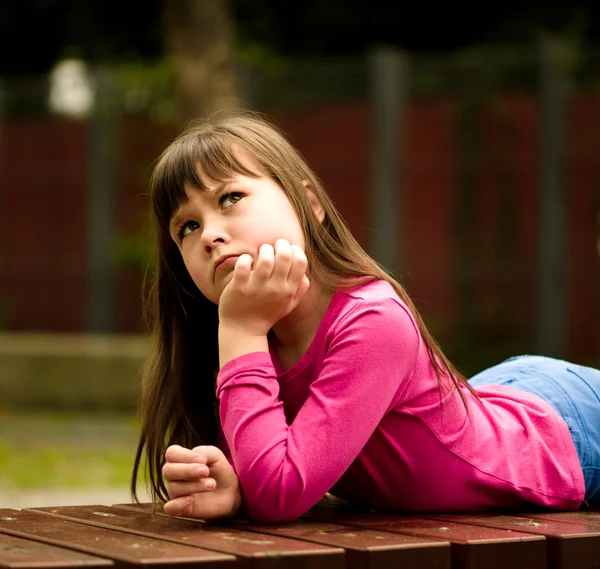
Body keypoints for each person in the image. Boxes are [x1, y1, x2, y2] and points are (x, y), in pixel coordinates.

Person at [131, 111, 600, 523]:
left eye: (230, 197)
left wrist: (240, 332)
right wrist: (231, 484)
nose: (210, 234)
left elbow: (280, 493)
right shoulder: (249, 340)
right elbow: (268, 475)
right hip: (497, 396)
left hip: (566, 434)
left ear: (310, 205)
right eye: (186, 227)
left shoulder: (371, 320)